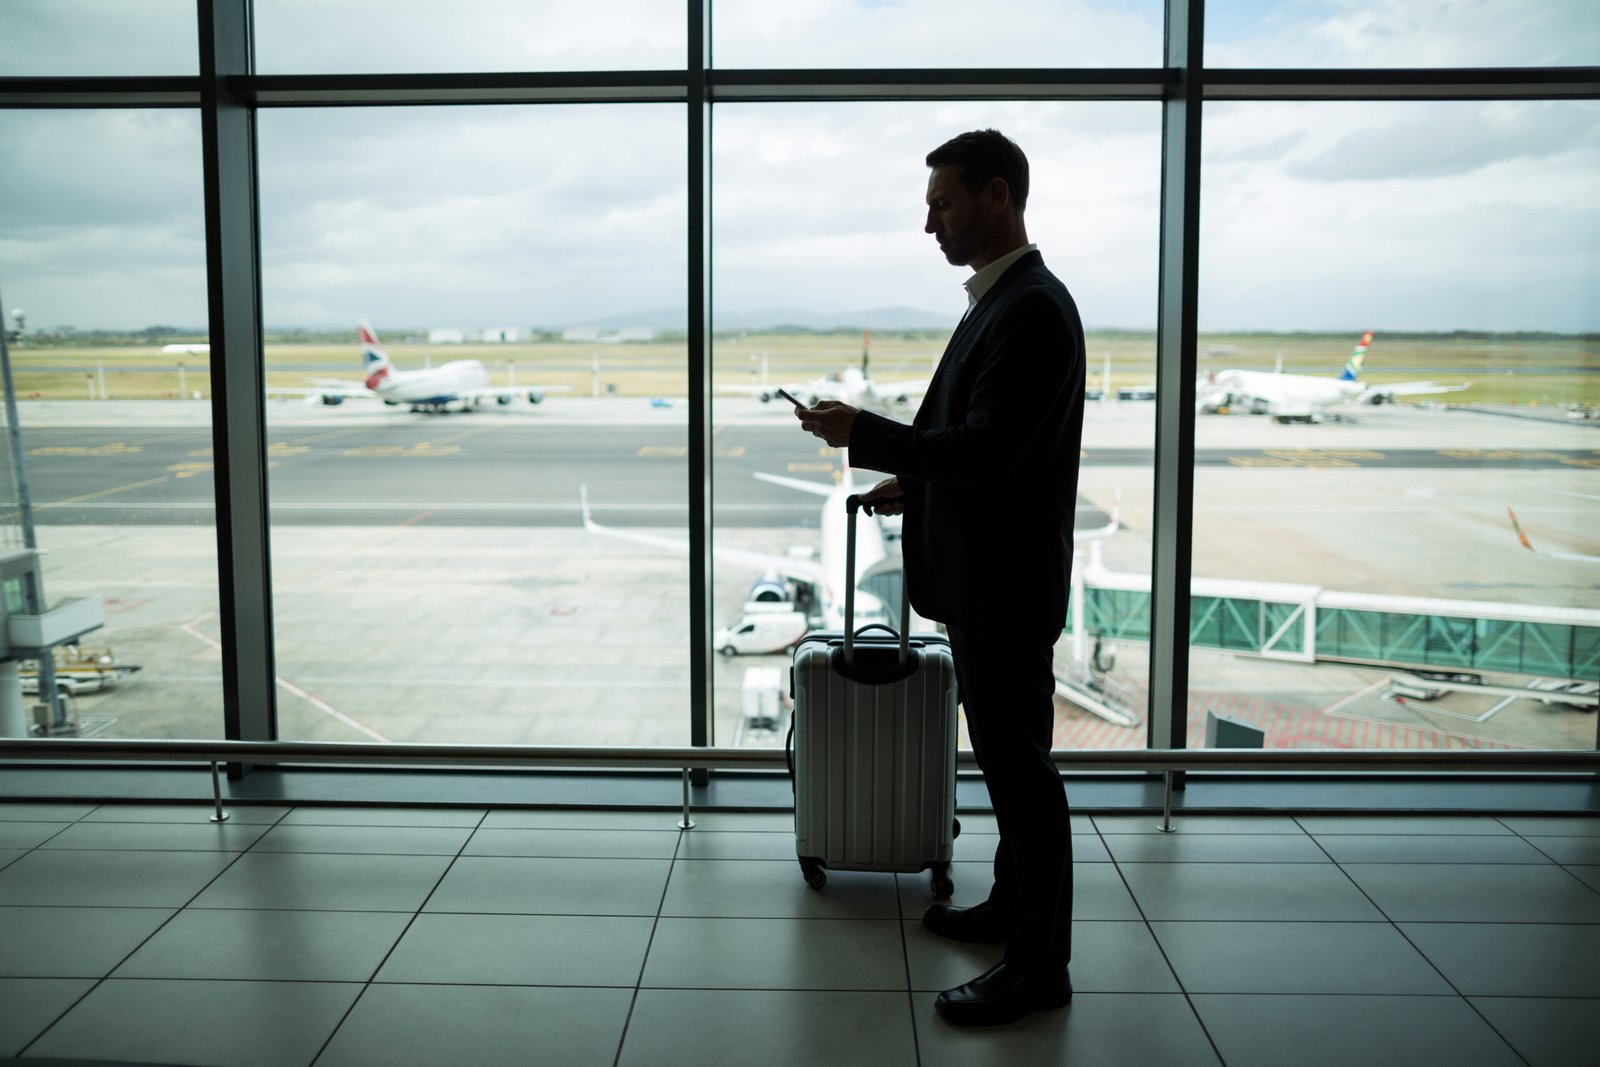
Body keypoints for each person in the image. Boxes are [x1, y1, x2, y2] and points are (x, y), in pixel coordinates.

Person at [795, 128, 1085, 1027]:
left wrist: (866, 435)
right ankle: (1009, 909)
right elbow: (981, 437)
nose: (930, 224)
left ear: (996, 197)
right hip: (989, 581)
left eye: (942, 203)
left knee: (1024, 777)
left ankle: (1038, 968)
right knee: (1008, 767)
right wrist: (911, 481)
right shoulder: (1000, 301)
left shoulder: (1028, 307)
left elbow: (992, 451)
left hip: (1001, 587)